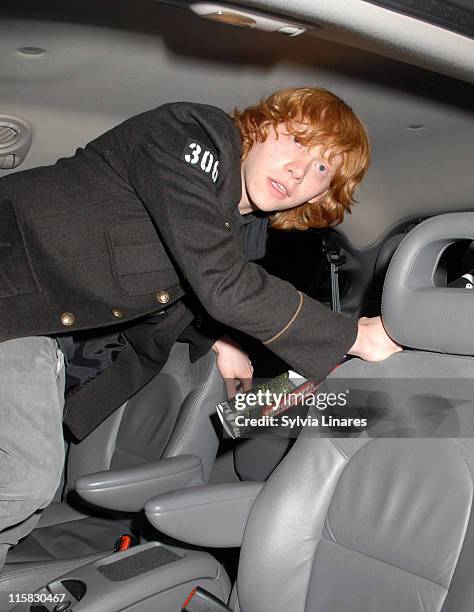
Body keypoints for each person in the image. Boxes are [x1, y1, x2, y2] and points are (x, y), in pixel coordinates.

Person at [0, 87, 401, 569]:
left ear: (323, 193)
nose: (300, 170)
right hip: (14, 305)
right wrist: (356, 335)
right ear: (259, 127)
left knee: (21, 499)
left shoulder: (242, 237)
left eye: (322, 169)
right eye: (295, 140)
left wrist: (216, 340)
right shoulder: (194, 135)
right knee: (24, 479)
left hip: (26, 323)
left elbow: (173, 294)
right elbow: (220, 283)